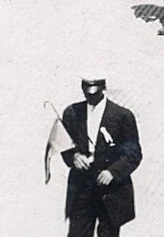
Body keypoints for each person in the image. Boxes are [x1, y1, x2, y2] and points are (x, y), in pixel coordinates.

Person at [58, 74, 142, 237]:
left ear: (104, 88)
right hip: (82, 186)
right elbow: (63, 143)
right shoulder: (72, 113)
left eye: (95, 93)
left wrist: (113, 172)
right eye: (87, 92)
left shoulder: (123, 116)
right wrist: (74, 157)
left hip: (110, 189)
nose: (90, 97)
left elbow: (134, 153)